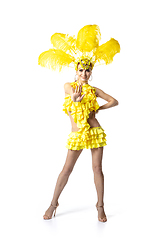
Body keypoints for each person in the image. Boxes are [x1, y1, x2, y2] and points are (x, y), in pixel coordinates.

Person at [38, 24, 120, 222]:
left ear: (91, 72)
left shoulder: (95, 90)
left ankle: (100, 206)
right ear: (76, 69)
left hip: (94, 131)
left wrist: (99, 109)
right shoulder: (69, 87)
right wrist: (75, 100)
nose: (84, 73)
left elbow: (114, 101)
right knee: (66, 169)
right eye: (81, 69)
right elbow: (71, 97)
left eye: (87, 70)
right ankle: (53, 203)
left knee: (97, 169)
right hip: (77, 134)